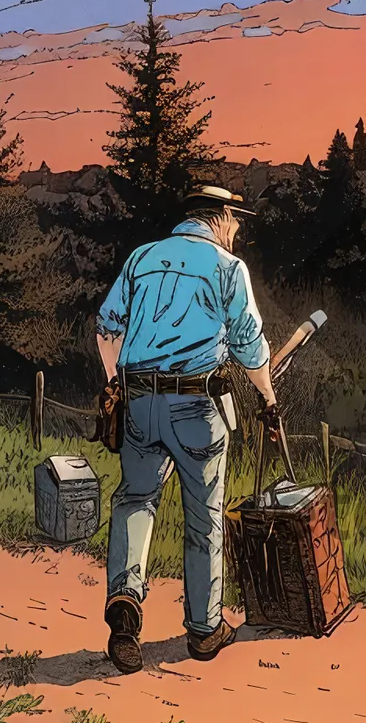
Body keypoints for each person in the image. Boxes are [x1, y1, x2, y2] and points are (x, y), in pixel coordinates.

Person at [94, 185, 281, 674]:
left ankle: (126, 602)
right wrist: (267, 394)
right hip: (197, 405)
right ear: (218, 217)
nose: (238, 229)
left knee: (136, 500)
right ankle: (203, 628)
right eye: (236, 219)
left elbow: (106, 326)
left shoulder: (141, 258)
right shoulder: (227, 268)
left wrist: (115, 381)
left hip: (138, 401)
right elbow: (248, 342)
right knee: (204, 514)